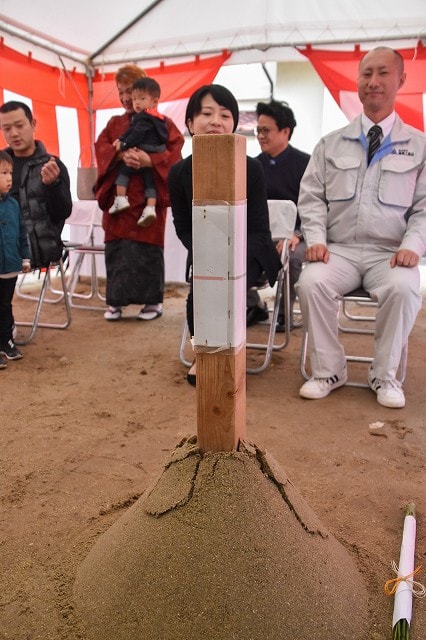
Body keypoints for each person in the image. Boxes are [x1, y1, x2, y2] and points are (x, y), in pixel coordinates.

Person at [296, 46, 426, 409]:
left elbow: (424, 208)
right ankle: (329, 371)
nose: (373, 82)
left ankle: (385, 376)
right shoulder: (330, 143)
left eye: (383, 73)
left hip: (390, 255)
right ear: (357, 81)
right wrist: (317, 239)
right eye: (366, 73)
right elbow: (311, 197)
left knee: (404, 289)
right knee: (311, 281)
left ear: (401, 79)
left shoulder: (418, 146)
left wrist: (414, 244)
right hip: (339, 251)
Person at [168, 84, 282, 386]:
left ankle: (230, 351)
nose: (216, 120)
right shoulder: (178, 173)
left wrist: (230, 256)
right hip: (205, 251)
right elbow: (182, 225)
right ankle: (204, 354)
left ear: (233, 125)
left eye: (225, 114)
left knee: (222, 281)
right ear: (191, 123)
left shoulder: (251, 168)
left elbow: (259, 227)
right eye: (206, 113)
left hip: (250, 248)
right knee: (202, 285)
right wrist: (205, 251)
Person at [95, 64, 184, 322]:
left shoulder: (164, 123)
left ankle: (152, 302)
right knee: (117, 250)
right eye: (121, 92)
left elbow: (175, 153)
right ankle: (115, 302)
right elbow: (102, 148)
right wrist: (119, 154)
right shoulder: (114, 123)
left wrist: (150, 160)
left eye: (130, 92)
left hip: (148, 197)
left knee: (147, 251)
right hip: (119, 198)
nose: (125, 99)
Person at [255, 100, 310, 331]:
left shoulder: (306, 164)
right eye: (258, 130)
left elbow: (314, 207)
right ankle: (251, 307)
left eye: (266, 130)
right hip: (264, 235)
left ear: (285, 131)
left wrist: (295, 234)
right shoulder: (253, 166)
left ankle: (284, 314)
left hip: (299, 235)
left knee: (292, 255)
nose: (260, 136)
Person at [0, 101, 72, 270]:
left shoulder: (52, 165)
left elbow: (63, 212)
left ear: (33, 125)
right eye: (7, 129)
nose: (14, 133)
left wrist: (53, 185)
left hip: (36, 250)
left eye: (19, 126)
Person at [109, 77, 168, 228]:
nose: (129, 99)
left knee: (124, 171)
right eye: (121, 93)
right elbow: (103, 152)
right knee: (150, 180)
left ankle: (121, 199)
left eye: (140, 98)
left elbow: (135, 134)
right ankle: (150, 208)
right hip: (119, 227)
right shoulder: (159, 119)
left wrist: (124, 146)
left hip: (150, 232)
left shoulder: (142, 117)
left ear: (154, 101)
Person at [0, 151, 32, 367]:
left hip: (10, 266)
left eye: (10, 172)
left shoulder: (13, 205)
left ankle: (6, 342)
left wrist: (26, 257)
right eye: (3, 172)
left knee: (5, 305)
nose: (9, 177)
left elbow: (22, 233)